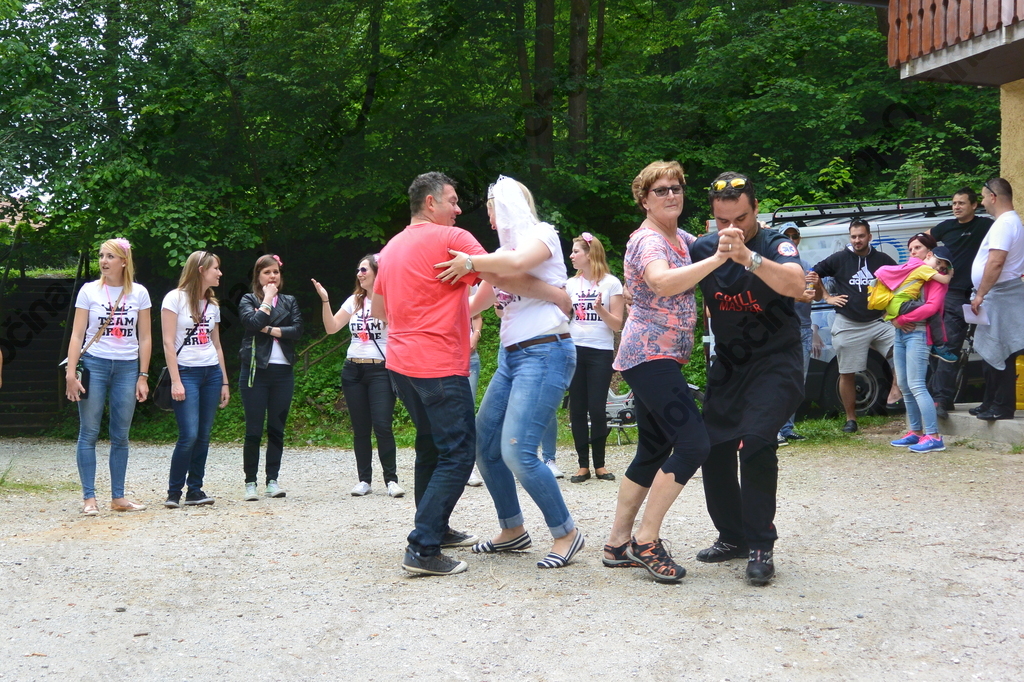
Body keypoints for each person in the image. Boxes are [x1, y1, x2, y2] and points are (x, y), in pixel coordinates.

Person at [373, 171, 569, 577]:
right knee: (459, 453)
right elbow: (501, 277)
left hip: (400, 365)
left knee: (431, 446)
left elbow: (378, 310)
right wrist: (556, 294)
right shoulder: (452, 238)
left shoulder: (390, 249)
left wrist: (424, 308)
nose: (460, 209)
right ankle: (423, 547)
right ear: (431, 203)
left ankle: (438, 528)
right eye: (453, 200)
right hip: (438, 364)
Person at [436, 175, 584, 569]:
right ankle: (512, 529)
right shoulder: (500, 256)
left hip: (546, 351)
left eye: (491, 210)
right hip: (511, 358)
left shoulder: (542, 234)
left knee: (518, 451)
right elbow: (473, 305)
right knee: (485, 444)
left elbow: (517, 265)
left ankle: (566, 533)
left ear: (505, 206)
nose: (489, 220)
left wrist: (471, 262)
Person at [600, 161, 723, 583]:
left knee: (652, 450)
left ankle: (617, 544)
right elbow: (662, 282)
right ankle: (646, 540)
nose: (671, 195)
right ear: (644, 200)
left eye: (677, 188)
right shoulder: (648, 240)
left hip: (661, 357)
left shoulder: (680, 238)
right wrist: (718, 258)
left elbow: (711, 247)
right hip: (649, 356)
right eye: (661, 190)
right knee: (693, 443)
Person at [691, 172, 807, 586]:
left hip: (776, 361)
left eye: (740, 219)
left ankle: (761, 543)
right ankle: (732, 535)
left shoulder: (776, 244)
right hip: (729, 364)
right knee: (711, 447)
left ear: (757, 209)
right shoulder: (703, 248)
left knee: (756, 442)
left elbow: (797, 284)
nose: (732, 229)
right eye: (723, 221)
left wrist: (748, 258)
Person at [64, 238, 151, 515]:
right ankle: (89, 499)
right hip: (94, 364)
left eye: (110, 256)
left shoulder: (139, 293)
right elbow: (77, 334)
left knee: (121, 435)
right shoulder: (89, 291)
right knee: (88, 432)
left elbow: (145, 337)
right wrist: (71, 373)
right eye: (101, 255)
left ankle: (118, 498)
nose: (104, 261)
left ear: (124, 262)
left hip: (127, 367)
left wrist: (143, 375)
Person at [314, 254, 404, 499]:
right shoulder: (354, 301)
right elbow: (332, 327)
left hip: (380, 370)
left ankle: (391, 480)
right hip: (353, 370)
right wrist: (325, 300)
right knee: (361, 428)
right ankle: (364, 480)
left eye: (364, 269)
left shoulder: (390, 300)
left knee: (382, 426)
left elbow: (398, 327)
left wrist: (379, 298)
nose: (359, 274)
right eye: (358, 270)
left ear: (377, 273)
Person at [810, 218, 897, 432]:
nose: (857, 240)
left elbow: (900, 282)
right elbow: (813, 273)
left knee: (904, 352)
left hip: (879, 321)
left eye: (861, 236)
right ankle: (851, 419)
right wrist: (827, 297)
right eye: (854, 236)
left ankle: (897, 392)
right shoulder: (839, 258)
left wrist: (892, 309)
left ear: (869, 237)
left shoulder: (882, 259)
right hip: (849, 322)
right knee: (847, 372)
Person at [161, 250, 230, 508]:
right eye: (215, 268)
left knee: (203, 435)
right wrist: (176, 380)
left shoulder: (213, 305)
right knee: (188, 434)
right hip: (186, 372)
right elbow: (168, 343)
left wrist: (224, 381)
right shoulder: (174, 299)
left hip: (211, 372)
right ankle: (174, 492)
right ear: (201, 270)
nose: (220, 273)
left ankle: (195, 490)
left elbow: (217, 345)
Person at [238, 254, 304, 501]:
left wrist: (268, 329)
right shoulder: (248, 299)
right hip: (256, 370)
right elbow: (251, 321)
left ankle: (272, 480)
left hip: (283, 372)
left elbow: (297, 330)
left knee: (277, 428)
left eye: (275, 271)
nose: (272, 276)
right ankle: (250, 482)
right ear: (258, 276)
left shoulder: (289, 301)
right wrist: (266, 299)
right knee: (254, 429)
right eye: (267, 272)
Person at [927, 188, 993, 418]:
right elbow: (921, 240)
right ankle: (941, 400)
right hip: (953, 294)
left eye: (961, 203)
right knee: (948, 347)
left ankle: (992, 401)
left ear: (974, 205)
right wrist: (933, 264)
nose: (956, 207)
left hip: (982, 294)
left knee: (990, 348)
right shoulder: (946, 226)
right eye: (954, 203)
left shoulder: (986, 225)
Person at [881, 235, 951, 453]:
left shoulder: (935, 277)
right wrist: (893, 319)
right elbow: (892, 298)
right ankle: (916, 431)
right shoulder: (911, 273)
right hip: (901, 333)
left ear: (929, 252)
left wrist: (901, 319)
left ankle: (934, 436)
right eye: (910, 248)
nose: (912, 252)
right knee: (904, 384)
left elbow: (932, 307)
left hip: (919, 333)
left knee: (917, 384)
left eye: (917, 248)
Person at [565, 232, 623, 482]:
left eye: (576, 251)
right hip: (574, 349)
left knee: (597, 409)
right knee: (577, 408)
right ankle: (582, 466)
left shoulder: (611, 283)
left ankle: (600, 464)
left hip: (600, 351)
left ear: (589, 255)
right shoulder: (570, 284)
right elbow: (563, 316)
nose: (571, 256)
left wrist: (600, 309)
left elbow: (617, 325)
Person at [969, 178, 1024, 421]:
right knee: (991, 350)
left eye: (983, 197)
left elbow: (996, 261)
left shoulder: (1005, 223)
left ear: (993, 196)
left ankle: (1002, 406)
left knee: (1000, 351)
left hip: (999, 294)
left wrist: (981, 293)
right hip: (997, 294)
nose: (982, 202)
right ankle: (990, 401)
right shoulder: (1007, 222)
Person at [777, 224, 817, 445]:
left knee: (797, 381)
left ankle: (787, 427)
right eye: (787, 236)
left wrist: (817, 287)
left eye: (795, 236)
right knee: (778, 379)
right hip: (780, 328)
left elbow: (816, 296)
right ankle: (774, 428)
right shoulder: (775, 265)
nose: (791, 239)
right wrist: (797, 296)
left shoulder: (806, 266)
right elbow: (771, 297)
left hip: (803, 328)